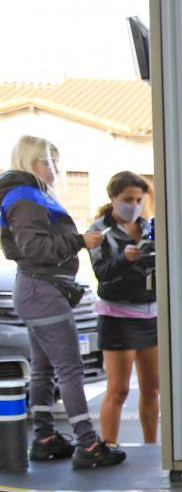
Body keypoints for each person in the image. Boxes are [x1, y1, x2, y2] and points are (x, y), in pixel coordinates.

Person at [0, 135, 126, 469]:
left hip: (37, 290)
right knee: (69, 368)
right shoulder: (26, 198)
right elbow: (35, 249)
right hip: (43, 292)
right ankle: (88, 445)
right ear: (32, 162)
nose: (55, 167)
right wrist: (79, 241)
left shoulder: (25, 195)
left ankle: (44, 439)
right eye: (49, 160)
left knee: (43, 368)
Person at [87, 172, 158, 445]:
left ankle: (152, 447)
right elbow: (102, 273)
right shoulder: (99, 231)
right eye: (128, 199)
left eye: (139, 199)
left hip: (150, 314)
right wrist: (124, 259)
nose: (134, 204)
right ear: (113, 198)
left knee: (152, 390)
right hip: (117, 315)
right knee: (118, 390)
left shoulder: (148, 227)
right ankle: (108, 447)